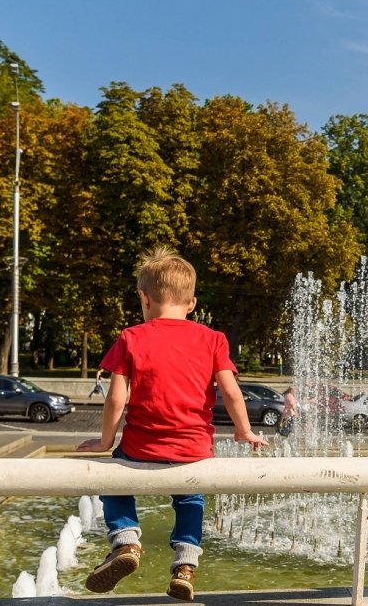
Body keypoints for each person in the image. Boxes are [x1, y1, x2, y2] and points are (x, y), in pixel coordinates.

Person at [77, 247, 268, 599]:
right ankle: (185, 565)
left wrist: (105, 443)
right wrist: (244, 431)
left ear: (143, 298)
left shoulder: (131, 337)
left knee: (113, 482)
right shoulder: (213, 339)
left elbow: (116, 399)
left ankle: (126, 542)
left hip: (140, 447)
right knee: (191, 499)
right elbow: (232, 392)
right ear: (192, 303)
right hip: (193, 450)